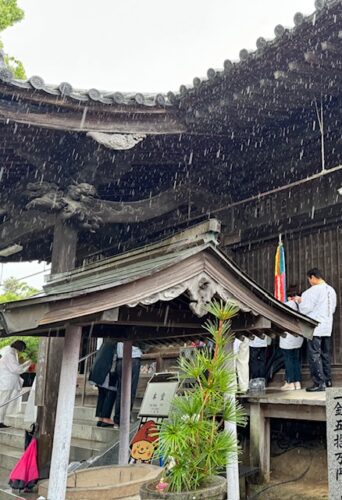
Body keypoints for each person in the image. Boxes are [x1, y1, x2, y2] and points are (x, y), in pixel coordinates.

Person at [292, 268, 337, 392]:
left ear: (312, 277)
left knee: (314, 354)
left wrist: (300, 301)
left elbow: (305, 309)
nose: (309, 282)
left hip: (315, 327)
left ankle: (319, 383)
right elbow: (332, 309)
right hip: (327, 326)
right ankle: (327, 380)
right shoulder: (331, 290)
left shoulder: (312, 291)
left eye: (309, 279)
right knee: (325, 354)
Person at [0, 340, 31, 428]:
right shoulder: (9, 354)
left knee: (4, 401)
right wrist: (27, 365)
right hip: (6, 382)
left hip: (6, 382)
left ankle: (1, 420)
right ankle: (0, 421)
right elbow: (16, 369)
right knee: (3, 401)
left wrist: (24, 365)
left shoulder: (9, 352)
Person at [89, 340, 118, 428]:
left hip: (99, 372)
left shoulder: (105, 343)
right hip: (108, 372)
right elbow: (114, 359)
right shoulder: (115, 344)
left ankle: (100, 417)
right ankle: (106, 418)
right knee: (110, 394)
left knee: (102, 394)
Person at [114, 342, 142, 426]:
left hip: (120, 359)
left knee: (120, 391)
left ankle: (118, 418)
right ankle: (125, 417)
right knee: (131, 390)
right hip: (133, 357)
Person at [280, 300, 304, 391]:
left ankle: (290, 382)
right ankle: (297, 382)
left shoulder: (288, 304)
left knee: (288, 360)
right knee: (295, 360)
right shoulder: (301, 304)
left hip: (288, 336)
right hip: (298, 335)